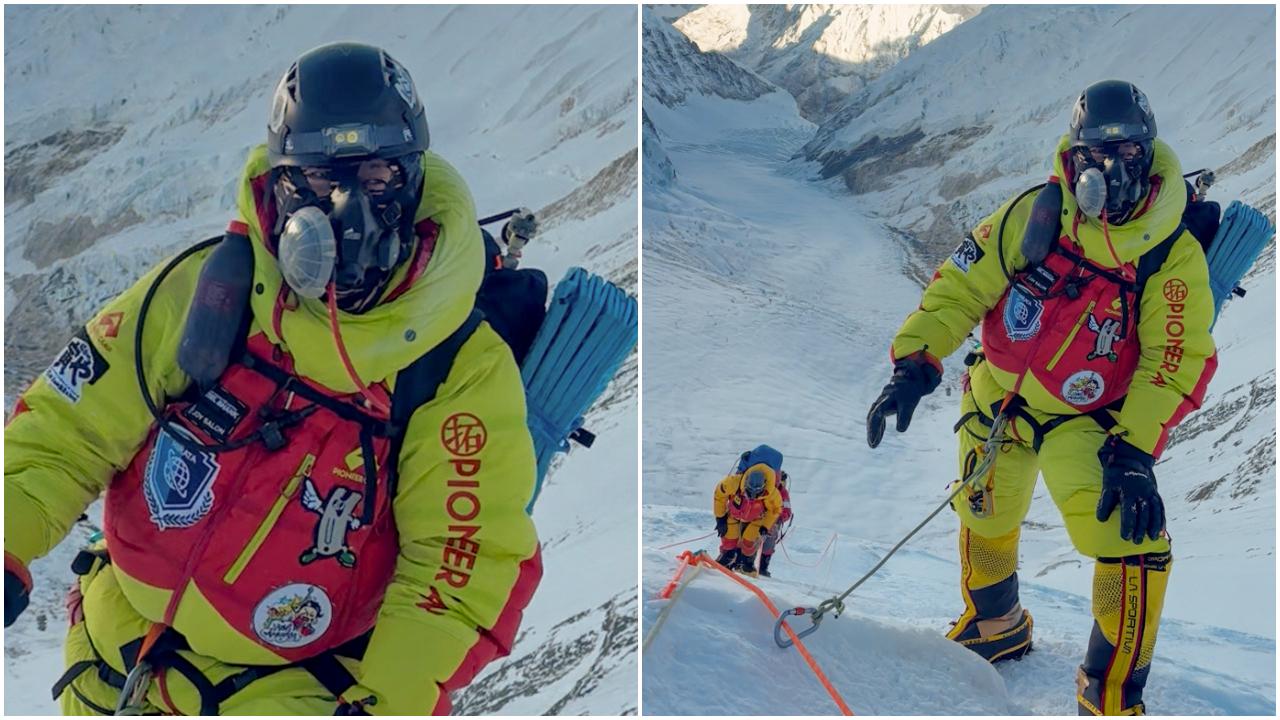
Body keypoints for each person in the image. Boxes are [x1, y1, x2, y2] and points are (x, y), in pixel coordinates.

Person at [4, 42, 542, 716]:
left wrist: (389, 701)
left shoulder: (456, 368)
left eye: (378, 177)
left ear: (413, 180)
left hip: (291, 690)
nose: (352, 210)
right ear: (279, 184)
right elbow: (69, 425)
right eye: (319, 178)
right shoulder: (208, 290)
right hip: (116, 647)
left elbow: (461, 563)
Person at [866, 80, 1216, 716]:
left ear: (1150, 152)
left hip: (1089, 422)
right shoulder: (1035, 214)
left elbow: (1176, 360)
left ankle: (1109, 696)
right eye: (1093, 156)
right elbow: (961, 286)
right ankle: (995, 626)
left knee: (1130, 543)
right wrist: (916, 360)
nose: (1110, 170)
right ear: (1072, 157)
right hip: (997, 396)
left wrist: (1135, 450)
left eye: (1130, 153)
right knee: (984, 512)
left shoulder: (1171, 253)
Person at [713, 459, 783, 576]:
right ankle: (726, 558)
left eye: (757, 494)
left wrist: (765, 526)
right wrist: (720, 518)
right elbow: (719, 495)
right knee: (729, 539)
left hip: (756, 519)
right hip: (734, 515)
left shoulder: (772, 493)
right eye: (749, 492)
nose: (752, 497)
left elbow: (776, 509)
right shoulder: (733, 482)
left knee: (749, 542)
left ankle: (747, 566)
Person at [756, 470, 793, 578]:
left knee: (769, 543)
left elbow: (787, 511)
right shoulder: (765, 488)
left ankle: (763, 567)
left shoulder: (783, 493)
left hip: (774, 521)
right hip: (758, 518)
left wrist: (778, 519)